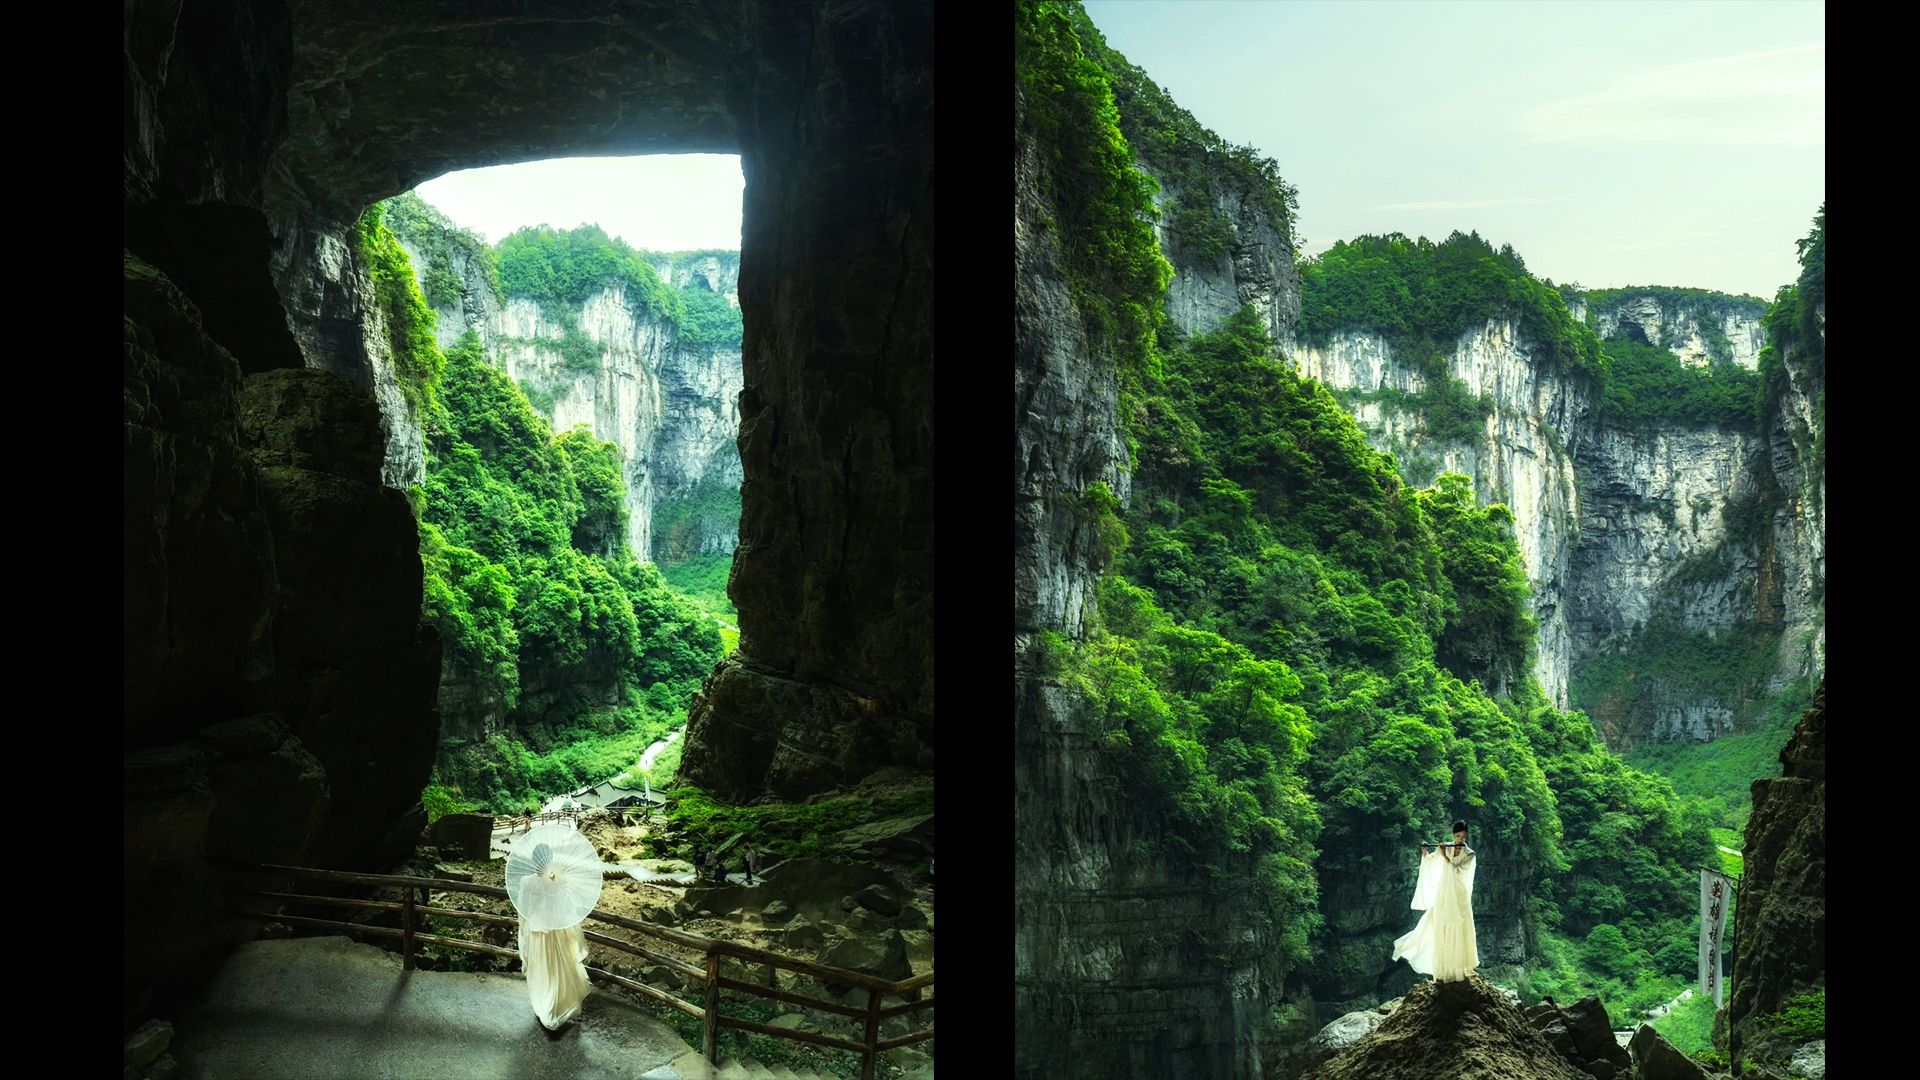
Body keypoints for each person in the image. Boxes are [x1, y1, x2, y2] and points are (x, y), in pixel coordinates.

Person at [1391, 819, 1479, 982]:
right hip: (1443, 894)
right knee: (1440, 929)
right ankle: (1443, 971)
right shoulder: (1446, 846)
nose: (1460, 840)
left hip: (1459, 897)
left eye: (1464, 837)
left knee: (1458, 931)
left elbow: (1457, 871)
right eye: (1458, 836)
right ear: (1454, 834)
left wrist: (1445, 854)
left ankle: (1459, 970)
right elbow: (1431, 862)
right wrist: (1425, 853)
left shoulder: (1470, 854)